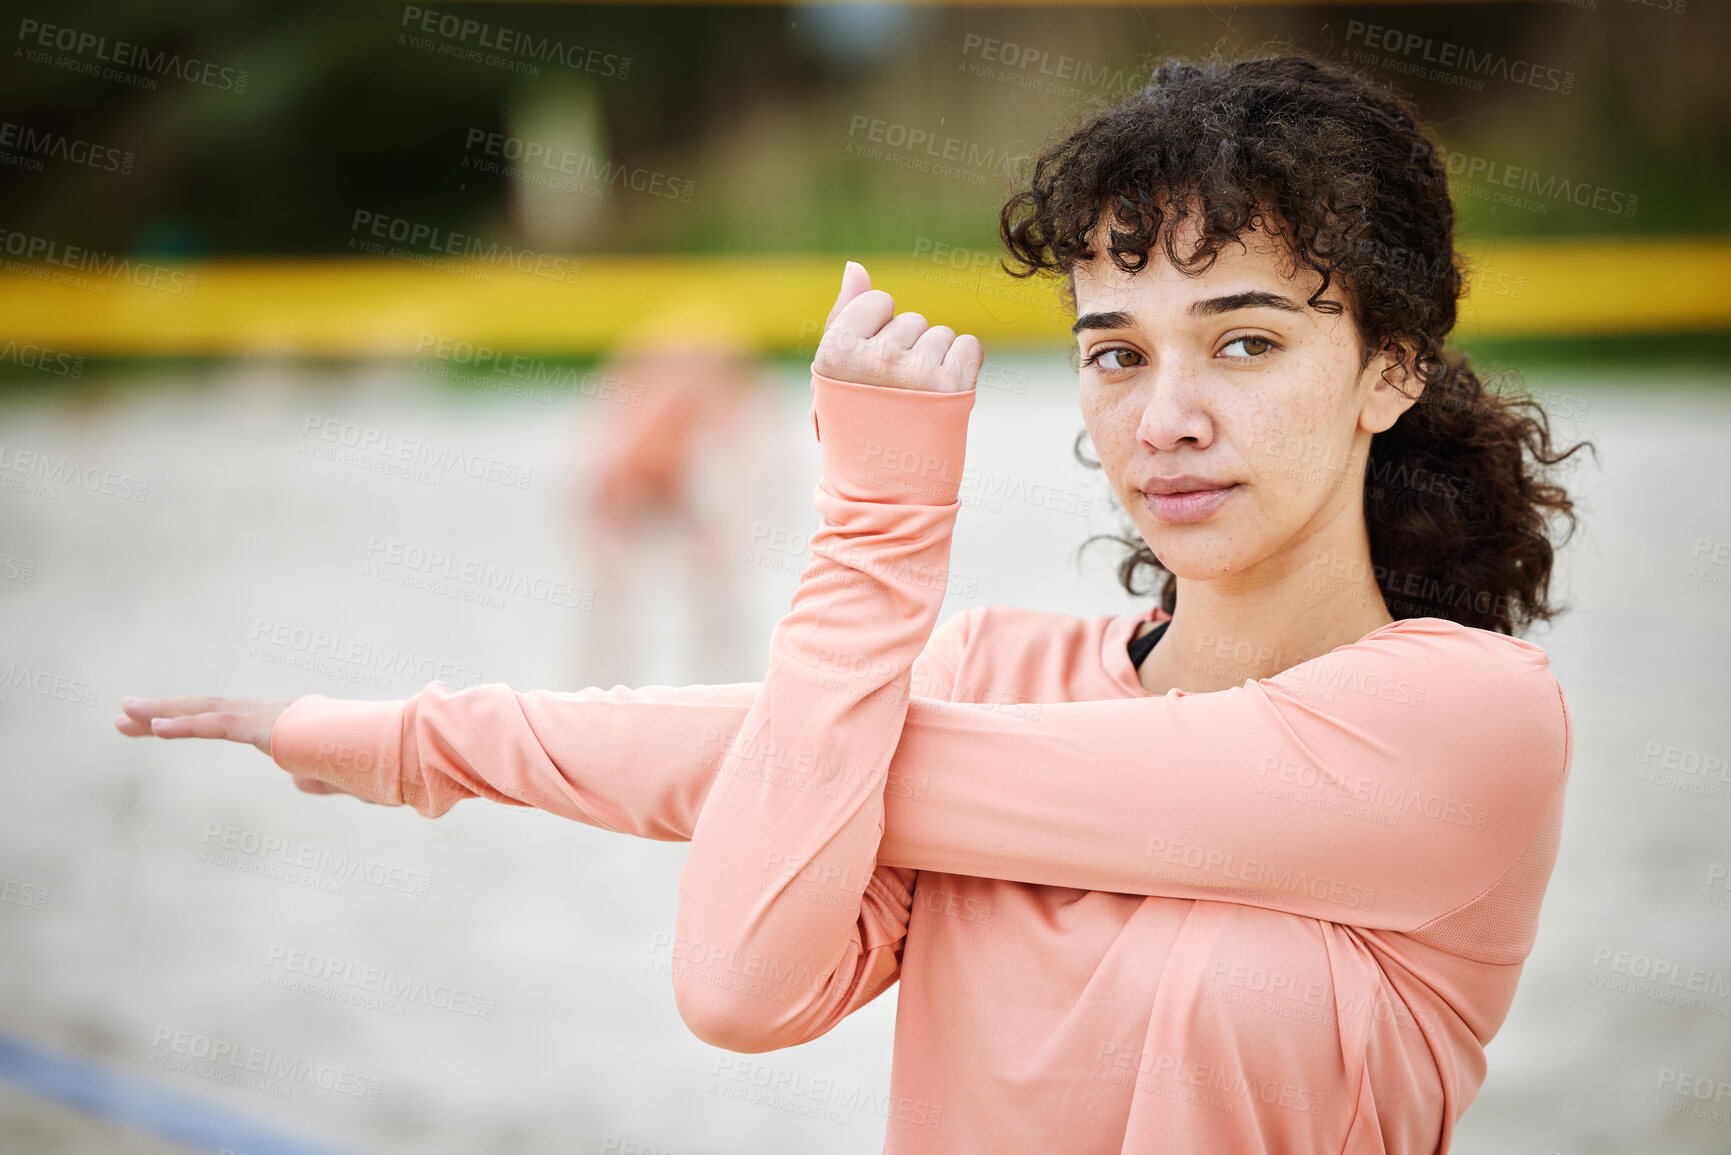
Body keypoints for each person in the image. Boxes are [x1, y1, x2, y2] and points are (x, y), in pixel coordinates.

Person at [117, 53, 1590, 1153]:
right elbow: (738, 987)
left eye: (1246, 344)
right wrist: (867, 556)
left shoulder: (1463, 722)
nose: (1168, 420)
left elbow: (818, 763)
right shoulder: (992, 671)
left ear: (1391, 368)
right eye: (1116, 354)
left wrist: (427, 745)